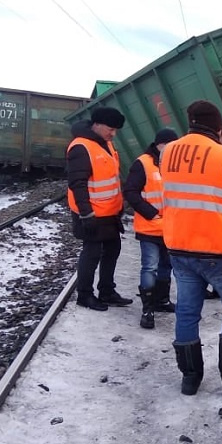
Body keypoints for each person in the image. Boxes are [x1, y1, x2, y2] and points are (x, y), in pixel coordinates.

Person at [161, 100, 222, 395]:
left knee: (187, 312)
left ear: (190, 122)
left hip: (180, 247)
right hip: (218, 247)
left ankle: (190, 379)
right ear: (218, 128)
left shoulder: (167, 154)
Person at [67, 107, 133, 311]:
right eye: (110, 129)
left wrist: (119, 206)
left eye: (116, 130)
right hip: (92, 213)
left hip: (110, 212)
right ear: (96, 124)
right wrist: (86, 213)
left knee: (113, 249)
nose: (113, 134)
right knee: (92, 252)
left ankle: (107, 291)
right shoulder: (81, 147)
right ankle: (85, 295)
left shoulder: (106, 144)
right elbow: (77, 183)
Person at [123, 128, 179, 329]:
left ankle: (162, 301)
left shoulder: (173, 164)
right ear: (160, 144)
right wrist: (151, 212)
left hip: (171, 228)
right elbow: (130, 191)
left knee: (166, 266)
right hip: (150, 227)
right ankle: (148, 309)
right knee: (150, 267)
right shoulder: (143, 163)